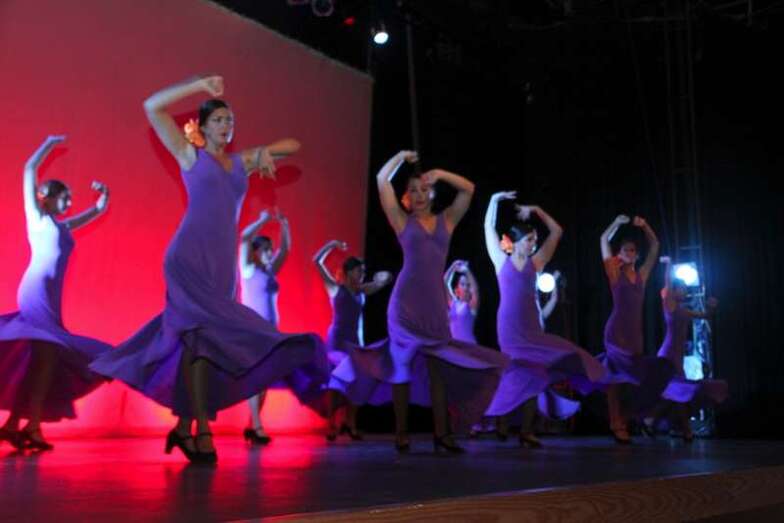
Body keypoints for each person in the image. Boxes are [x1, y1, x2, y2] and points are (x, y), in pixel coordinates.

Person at [90, 76, 327, 463]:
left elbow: (293, 146)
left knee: (202, 347)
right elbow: (152, 106)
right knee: (198, 341)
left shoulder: (241, 162)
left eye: (229, 120)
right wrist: (200, 85)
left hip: (221, 268)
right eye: (218, 119)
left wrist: (265, 154)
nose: (226, 125)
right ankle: (203, 430)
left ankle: (184, 427)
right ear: (202, 127)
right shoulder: (190, 156)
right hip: (187, 260)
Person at [362, 150, 508, 454]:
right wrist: (400, 157)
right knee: (401, 367)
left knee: (438, 371)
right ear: (406, 197)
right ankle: (401, 434)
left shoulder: (447, 220)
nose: (418, 195)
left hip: (433, 306)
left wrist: (440, 173)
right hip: (405, 305)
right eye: (413, 190)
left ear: (432, 192)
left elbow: (468, 189)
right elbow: (381, 179)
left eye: (424, 189)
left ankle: (442, 434)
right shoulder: (402, 221)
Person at [0, 135, 111, 451]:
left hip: (51, 299)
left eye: (70, 198)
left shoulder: (61, 227)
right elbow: (29, 168)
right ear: (45, 198)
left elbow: (91, 214)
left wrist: (102, 202)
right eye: (64, 197)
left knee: (41, 365)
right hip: (35, 294)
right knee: (45, 361)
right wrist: (48, 144)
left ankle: (15, 425)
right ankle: (32, 428)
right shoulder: (37, 219)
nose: (69, 202)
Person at [483, 191, 606, 447]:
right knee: (514, 373)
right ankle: (501, 419)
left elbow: (557, 231)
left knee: (536, 375)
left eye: (535, 240)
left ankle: (526, 431)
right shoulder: (500, 261)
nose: (533, 244)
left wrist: (537, 209)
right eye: (529, 239)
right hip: (510, 328)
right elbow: (488, 226)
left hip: (532, 328)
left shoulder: (536, 263)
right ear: (516, 241)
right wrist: (494, 200)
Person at [599, 214, 674, 444]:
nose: (629, 253)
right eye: (625, 250)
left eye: (632, 250)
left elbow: (655, 246)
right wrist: (615, 223)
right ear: (619, 254)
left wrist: (645, 225)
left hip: (634, 336)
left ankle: (627, 418)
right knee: (615, 381)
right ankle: (616, 424)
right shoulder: (614, 273)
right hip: (616, 333)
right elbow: (603, 239)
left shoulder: (641, 276)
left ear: (636, 255)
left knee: (637, 380)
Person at [313, 240, 393, 441]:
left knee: (357, 381)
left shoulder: (361, 291)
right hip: (337, 343)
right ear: (349, 273)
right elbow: (316, 261)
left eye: (363, 272)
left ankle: (350, 423)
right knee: (338, 381)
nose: (362, 275)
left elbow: (383, 281)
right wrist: (332, 244)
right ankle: (331, 424)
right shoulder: (335, 289)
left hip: (354, 342)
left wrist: (385, 277)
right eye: (359, 271)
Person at [238, 208, 290, 445]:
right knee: (256, 378)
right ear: (256, 252)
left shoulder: (270, 272)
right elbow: (245, 238)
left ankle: (252, 424)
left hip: (271, 332)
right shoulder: (248, 269)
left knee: (265, 380)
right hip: (252, 332)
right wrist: (262, 220)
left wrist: (284, 225)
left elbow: (285, 250)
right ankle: (257, 425)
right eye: (266, 249)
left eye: (271, 249)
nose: (270, 252)